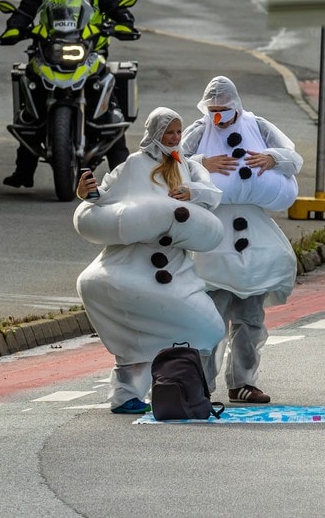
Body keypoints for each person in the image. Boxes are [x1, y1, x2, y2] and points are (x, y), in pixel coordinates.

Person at [72, 107, 225, 414]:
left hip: (174, 264)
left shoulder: (187, 166)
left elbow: (211, 193)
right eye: (170, 132)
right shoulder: (133, 165)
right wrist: (86, 191)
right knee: (136, 336)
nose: (175, 138)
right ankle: (127, 394)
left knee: (205, 326)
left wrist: (190, 194)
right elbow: (106, 196)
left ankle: (189, 386)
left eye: (179, 132)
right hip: (131, 260)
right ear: (156, 133)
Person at [182, 76, 302, 405]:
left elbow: (294, 159)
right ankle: (201, 384)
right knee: (210, 317)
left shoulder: (258, 126)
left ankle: (243, 382)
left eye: (223, 109)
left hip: (253, 230)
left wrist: (272, 159)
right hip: (213, 236)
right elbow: (171, 162)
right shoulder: (197, 131)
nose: (217, 116)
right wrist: (201, 164)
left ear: (235, 106)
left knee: (250, 314)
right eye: (213, 110)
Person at [0, 0, 137, 188]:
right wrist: (15, 27)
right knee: (30, 101)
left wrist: (123, 22)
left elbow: (114, 6)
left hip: (89, 51)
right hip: (49, 52)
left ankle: (127, 176)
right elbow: (27, 9)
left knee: (112, 108)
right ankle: (24, 170)